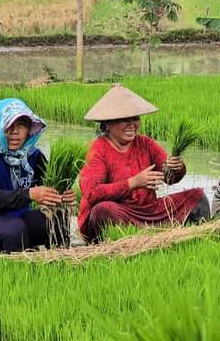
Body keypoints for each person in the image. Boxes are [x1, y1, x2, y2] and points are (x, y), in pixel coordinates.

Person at [78, 84, 209, 242]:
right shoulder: (98, 150)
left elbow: (169, 177)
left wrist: (176, 168)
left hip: (149, 211)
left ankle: (191, 239)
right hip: (122, 212)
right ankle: (127, 241)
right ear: (107, 123)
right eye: (124, 119)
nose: (132, 124)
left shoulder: (145, 143)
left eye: (135, 118)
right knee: (103, 211)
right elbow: (91, 193)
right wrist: (133, 183)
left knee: (197, 196)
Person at [0, 99, 75, 252]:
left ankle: (60, 267)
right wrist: (29, 194)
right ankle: (20, 272)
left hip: (16, 218)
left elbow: (49, 185)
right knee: (14, 230)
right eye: (8, 126)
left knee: (56, 220)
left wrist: (63, 195)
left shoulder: (32, 155)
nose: (15, 132)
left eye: (21, 125)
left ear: (29, 129)